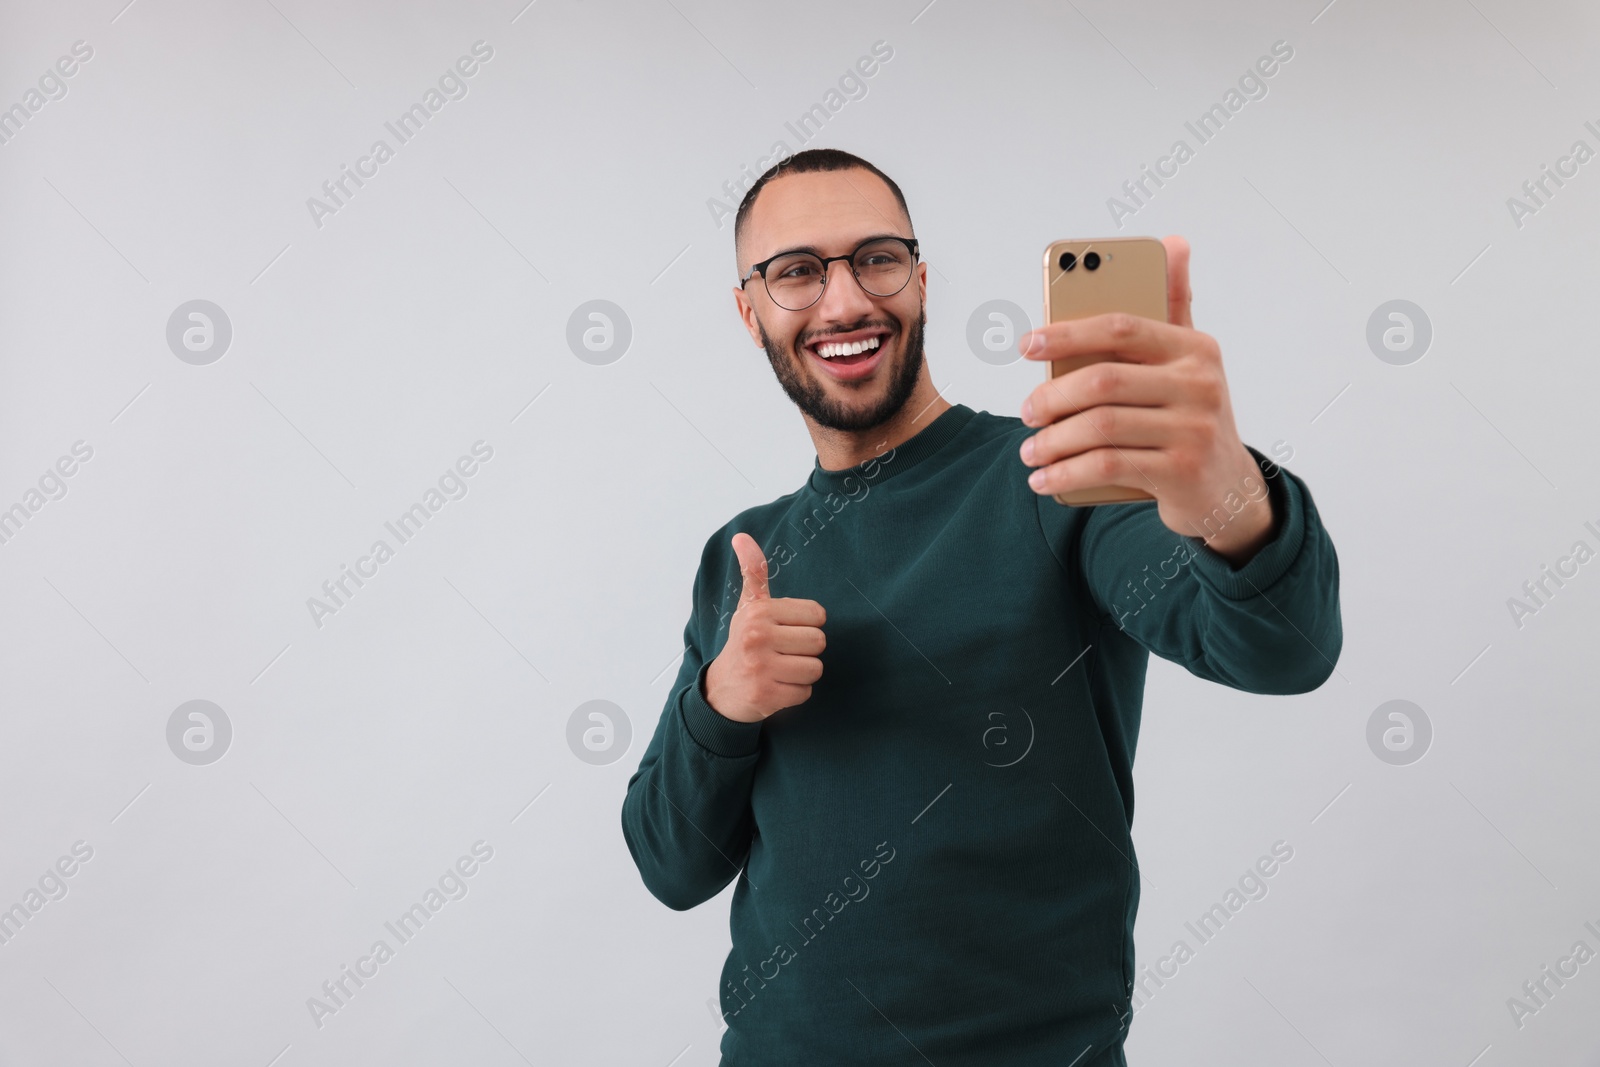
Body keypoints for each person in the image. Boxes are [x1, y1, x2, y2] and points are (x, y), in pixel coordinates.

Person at [620, 148, 1341, 1066]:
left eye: (875, 259)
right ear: (749, 310)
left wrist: (1225, 492)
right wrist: (721, 704)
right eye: (797, 272)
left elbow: (1284, 647)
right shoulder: (744, 555)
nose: (844, 303)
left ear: (920, 281)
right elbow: (668, 865)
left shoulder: (1060, 480)